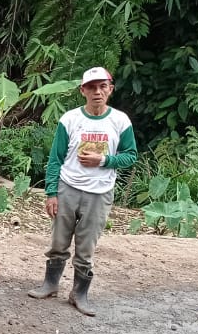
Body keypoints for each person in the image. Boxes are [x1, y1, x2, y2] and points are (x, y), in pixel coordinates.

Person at [27, 67, 136, 316]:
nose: (97, 92)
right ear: (83, 90)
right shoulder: (70, 119)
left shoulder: (120, 121)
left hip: (99, 193)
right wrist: (51, 192)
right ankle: (50, 284)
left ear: (110, 89)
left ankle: (79, 292)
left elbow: (130, 156)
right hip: (68, 188)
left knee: (86, 247)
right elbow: (56, 158)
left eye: (102, 87)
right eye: (92, 87)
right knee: (58, 240)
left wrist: (104, 160)